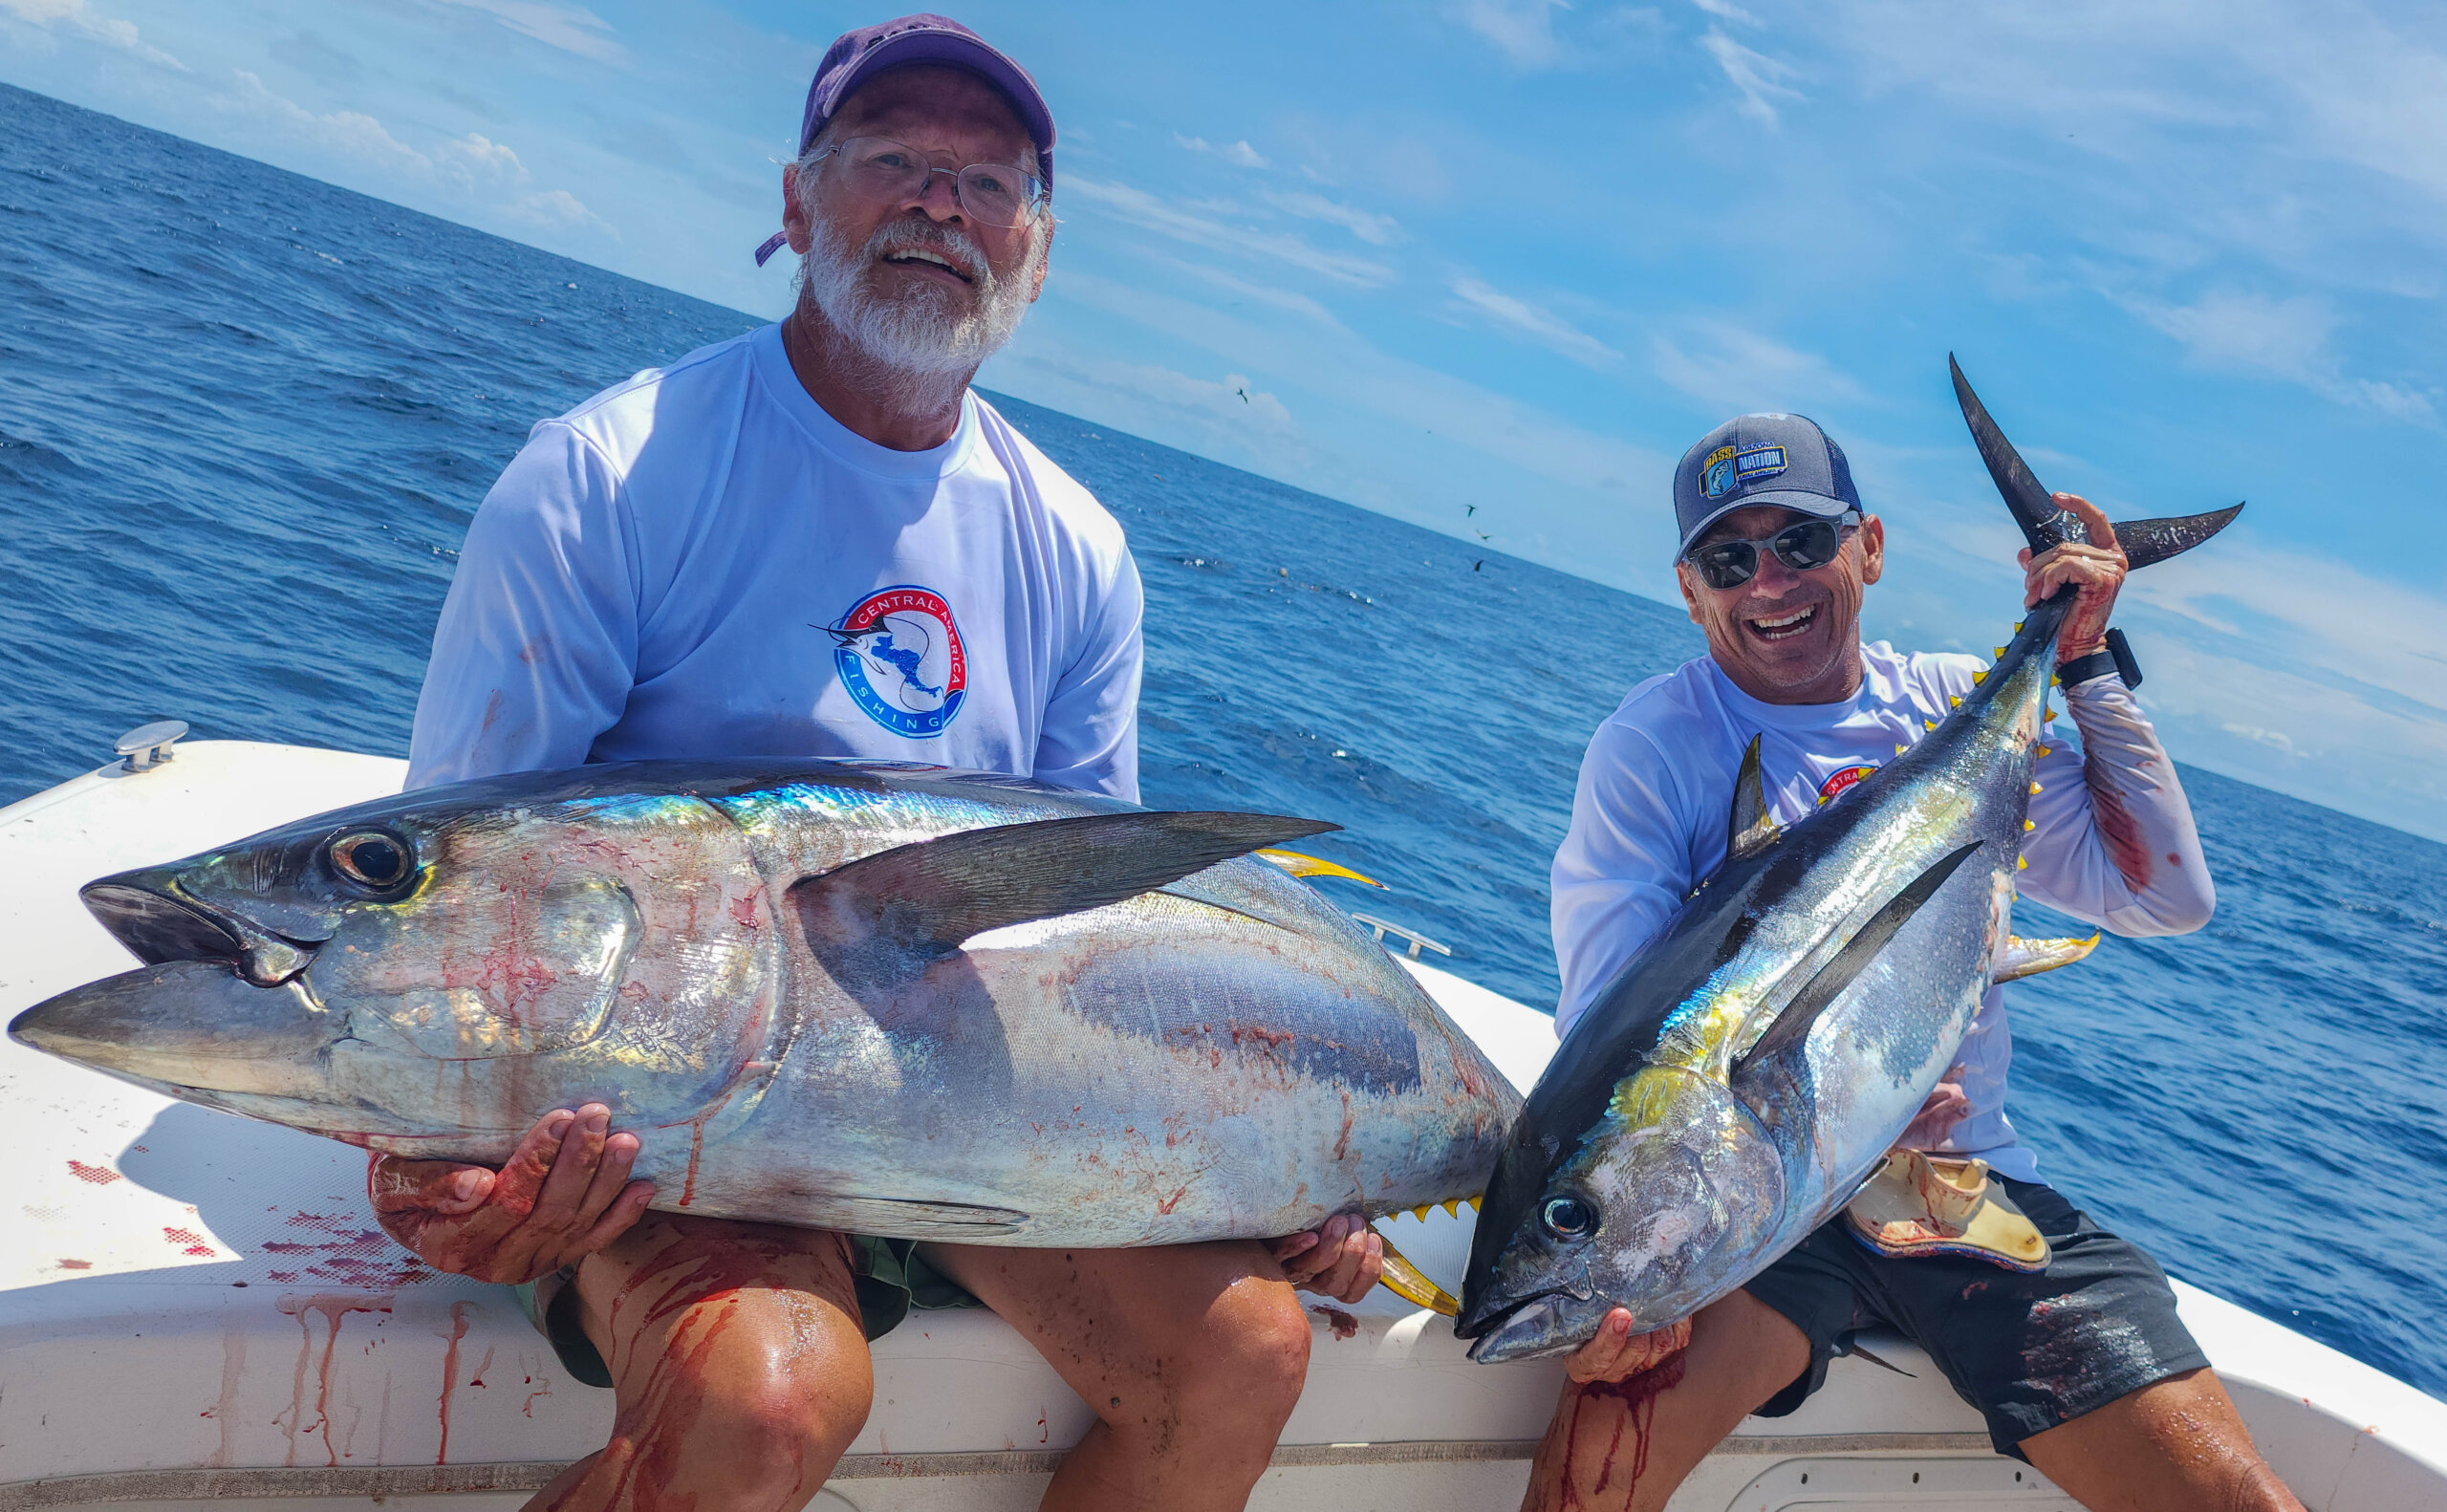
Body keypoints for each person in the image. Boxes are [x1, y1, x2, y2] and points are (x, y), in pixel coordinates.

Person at [361, 16, 1381, 1512]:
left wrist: (1286, 1154)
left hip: (970, 1112)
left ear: (1035, 249)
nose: (937, 204)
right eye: (891, 160)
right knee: (768, 1394)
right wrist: (428, 1153)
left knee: (1243, 1347)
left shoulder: (1079, 553)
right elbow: (458, 877)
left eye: (985, 180)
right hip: (674, 1111)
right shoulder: (608, 476)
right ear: (795, 203)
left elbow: (1090, 929)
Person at [1523, 413, 2305, 1511]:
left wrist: (2077, 659)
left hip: (1960, 1188)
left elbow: (2162, 895)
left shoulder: (1943, 707)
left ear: (1869, 548)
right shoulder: (1652, 749)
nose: (1767, 583)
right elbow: (1618, 1035)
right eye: (1727, 559)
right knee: (1588, 1478)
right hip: (1761, 1219)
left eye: (1799, 542)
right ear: (1690, 588)